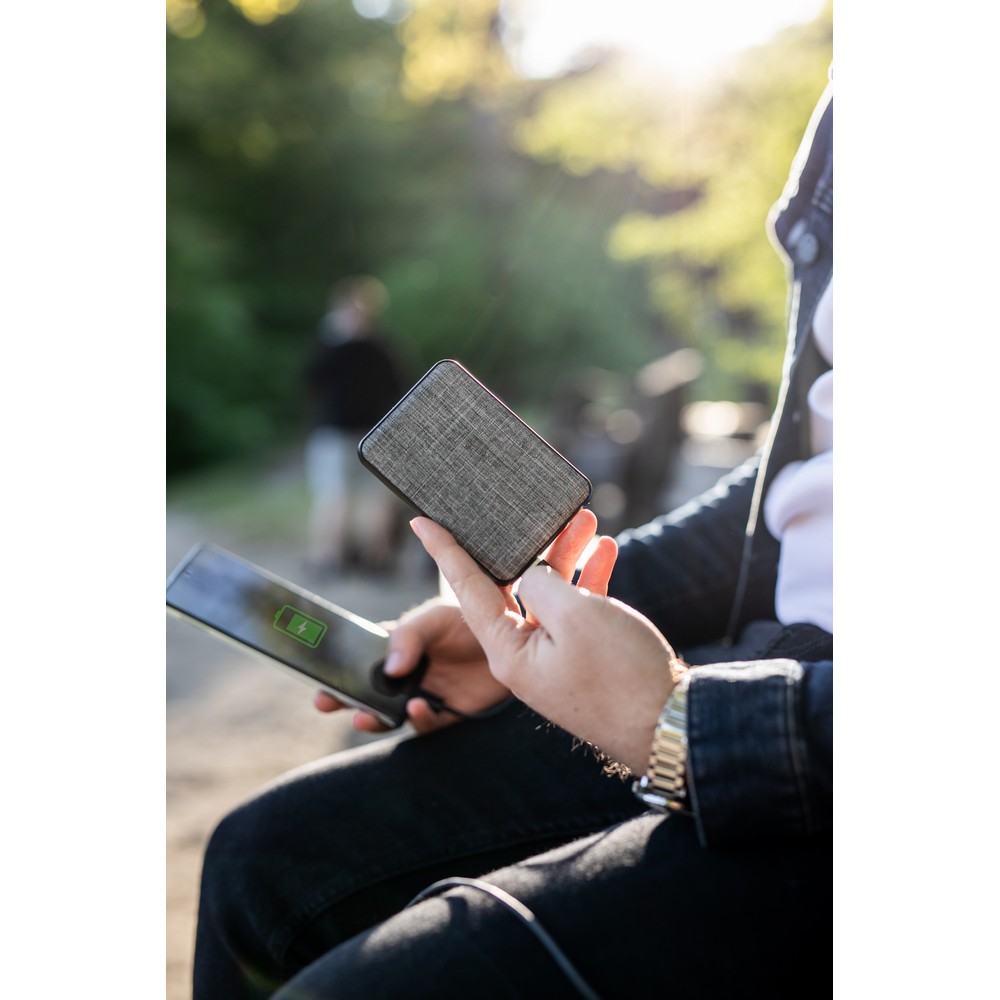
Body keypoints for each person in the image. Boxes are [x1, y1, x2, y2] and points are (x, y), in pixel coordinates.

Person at [192, 79, 833, 999]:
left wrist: (681, 727)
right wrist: (541, 630)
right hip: (748, 670)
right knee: (256, 863)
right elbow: (805, 489)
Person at [302, 275, 409, 575]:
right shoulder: (382, 346)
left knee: (337, 495)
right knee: (370, 496)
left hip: (340, 432)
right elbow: (399, 386)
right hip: (370, 431)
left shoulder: (332, 346)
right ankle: (374, 558)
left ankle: (330, 558)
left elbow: (310, 380)